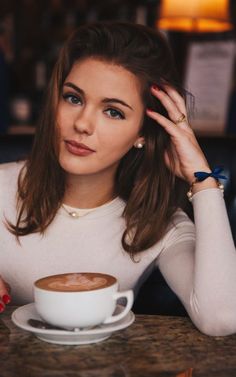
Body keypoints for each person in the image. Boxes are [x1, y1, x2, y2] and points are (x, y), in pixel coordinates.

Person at [0, 21, 236, 336]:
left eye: (113, 112)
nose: (82, 124)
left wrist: (203, 181)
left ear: (142, 133)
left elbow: (222, 317)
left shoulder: (158, 224)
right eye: (74, 98)